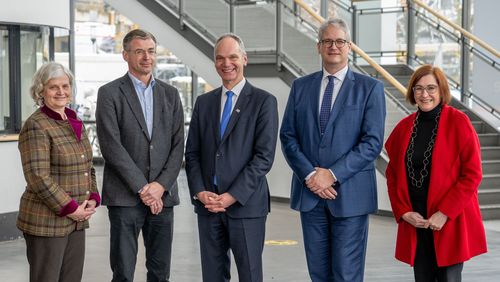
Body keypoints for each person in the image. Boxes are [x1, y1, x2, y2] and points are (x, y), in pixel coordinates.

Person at [280, 18, 386, 282]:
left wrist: (332, 174)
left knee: (346, 275)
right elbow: (288, 136)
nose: (333, 46)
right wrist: (310, 176)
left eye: (339, 41)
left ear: (349, 47)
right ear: (319, 47)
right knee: (318, 274)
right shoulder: (301, 87)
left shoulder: (370, 88)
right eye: (328, 41)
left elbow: (372, 143)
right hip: (310, 196)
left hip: (350, 197)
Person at [185, 33, 279, 282]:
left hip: (245, 206)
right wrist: (199, 191)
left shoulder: (264, 102)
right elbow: (192, 153)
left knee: (249, 275)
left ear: (244, 59)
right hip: (208, 204)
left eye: (233, 57)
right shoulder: (203, 103)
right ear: (215, 62)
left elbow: (263, 158)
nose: (227, 63)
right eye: (220, 58)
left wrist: (231, 196)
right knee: (212, 276)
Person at [96, 29, 184, 282]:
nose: (147, 57)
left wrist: (159, 187)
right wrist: (145, 189)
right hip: (125, 198)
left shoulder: (170, 94)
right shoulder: (110, 93)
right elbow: (111, 146)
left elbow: (178, 145)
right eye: (139, 51)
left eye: (151, 51)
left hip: (163, 198)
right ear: (125, 55)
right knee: (123, 271)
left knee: (160, 272)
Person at [385, 64, 487, 281]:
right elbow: (392, 174)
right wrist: (403, 212)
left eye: (431, 88)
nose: (424, 94)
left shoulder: (459, 123)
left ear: (441, 90)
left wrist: (445, 213)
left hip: (448, 221)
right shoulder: (404, 127)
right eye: (418, 88)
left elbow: (472, 175)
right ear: (412, 92)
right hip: (416, 221)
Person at [17, 62, 100, 282]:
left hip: (77, 220)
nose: (61, 92)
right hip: (47, 222)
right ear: (40, 91)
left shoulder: (73, 120)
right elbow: (37, 176)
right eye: (54, 87)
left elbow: (86, 164)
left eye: (65, 85)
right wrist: (71, 208)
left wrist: (92, 196)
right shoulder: (37, 125)